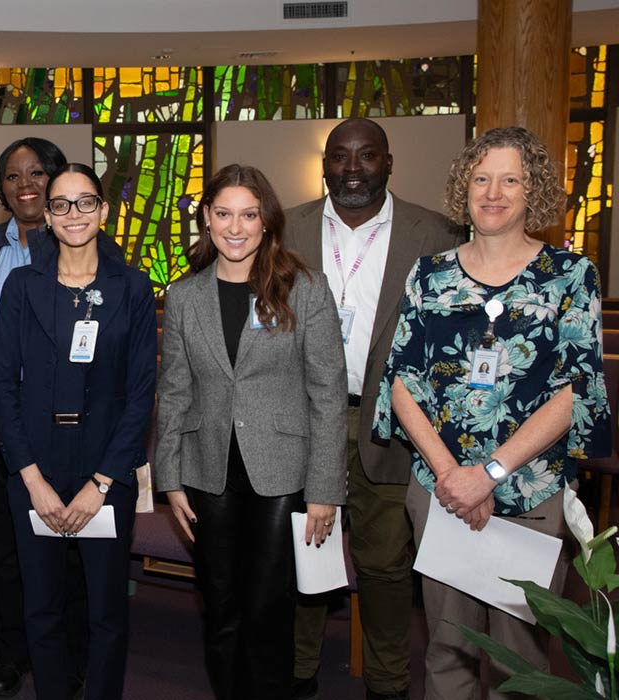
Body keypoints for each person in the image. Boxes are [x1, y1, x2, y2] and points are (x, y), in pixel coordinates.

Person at [373, 126, 611, 698]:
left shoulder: (571, 277)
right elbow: (401, 381)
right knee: (447, 653)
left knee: (520, 661)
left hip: (529, 493)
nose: (494, 192)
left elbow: (573, 391)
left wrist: (489, 476)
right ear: (465, 188)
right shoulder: (429, 275)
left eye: (511, 179)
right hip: (440, 492)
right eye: (482, 178)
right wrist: (454, 477)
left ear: (534, 192)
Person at [284, 117, 464, 700]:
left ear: (388, 163)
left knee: (386, 565)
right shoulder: (286, 228)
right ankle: (298, 669)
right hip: (302, 418)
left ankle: (388, 683)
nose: (352, 168)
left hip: (390, 421)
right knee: (303, 553)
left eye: (366, 156)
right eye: (340, 156)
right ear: (325, 165)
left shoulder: (435, 233)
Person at [154, 164, 346, 699]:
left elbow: (327, 395)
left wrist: (326, 490)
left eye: (248, 214)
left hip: (281, 472)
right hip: (206, 469)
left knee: (267, 606)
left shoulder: (305, 288)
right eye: (223, 214)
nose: (235, 227)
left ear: (267, 222)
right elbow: (173, 391)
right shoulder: (186, 295)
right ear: (207, 220)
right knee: (220, 606)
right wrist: (169, 478)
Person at [0, 163, 157, 700]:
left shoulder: (131, 287)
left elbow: (140, 397)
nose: (74, 214)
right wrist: (32, 480)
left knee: (106, 610)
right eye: (61, 204)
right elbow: (3, 390)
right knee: (42, 607)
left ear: (104, 211)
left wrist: (103, 482)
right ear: (48, 217)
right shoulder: (22, 286)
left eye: (86, 202)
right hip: (35, 465)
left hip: (105, 468)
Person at [0, 137, 95, 697]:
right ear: (1, 191)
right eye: (13, 177)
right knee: (5, 545)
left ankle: (68, 654)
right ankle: (14, 651)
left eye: (37, 173)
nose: (26, 185)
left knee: (67, 546)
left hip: (64, 425)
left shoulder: (80, 247)